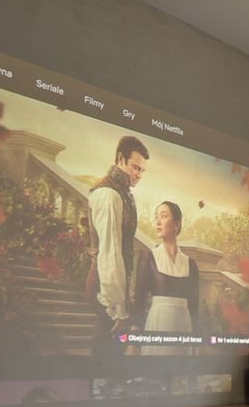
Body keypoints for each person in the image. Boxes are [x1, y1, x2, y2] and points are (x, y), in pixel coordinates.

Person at [85, 135, 148, 352]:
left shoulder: (122, 192)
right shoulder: (108, 194)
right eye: (135, 168)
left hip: (111, 280)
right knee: (108, 347)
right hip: (103, 280)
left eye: (142, 171)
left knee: (109, 346)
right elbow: (109, 253)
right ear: (121, 159)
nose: (139, 175)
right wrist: (119, 310)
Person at [135, 201, 199, 356]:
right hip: (158, 323)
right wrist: (134, 339)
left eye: (163, 216)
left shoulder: (190, 264)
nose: (158, 222)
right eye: (156, 217)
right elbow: (139, 300)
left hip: (184, 326)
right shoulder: (148, 258)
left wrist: (197, 340)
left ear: (176, 224)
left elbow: (194, 306)